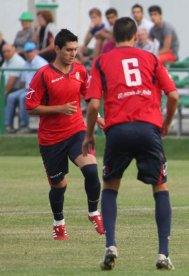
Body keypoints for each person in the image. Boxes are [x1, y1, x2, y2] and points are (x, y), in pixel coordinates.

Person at [82, 17, 179, 270]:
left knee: (111, 187)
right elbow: (173, 95)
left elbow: (93, 104)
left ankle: (111, 245)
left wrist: (89, 134)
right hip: (149, 129)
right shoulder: (150, 58)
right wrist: (166, 123)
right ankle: (163, 254)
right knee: (160, 187)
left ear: (113, 38)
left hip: (118, 130)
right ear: (136, 36)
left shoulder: (102, 60)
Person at [26, 29, 105, 240]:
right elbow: (30, 107)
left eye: (75, 49)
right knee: (59, 185)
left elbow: (88, 97)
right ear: (57, 49)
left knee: (91, 170)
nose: (73, 54)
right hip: (50, 140)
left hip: (77, 132)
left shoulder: (80, 70)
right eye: (68, 50)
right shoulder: (43, 75)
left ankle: (94, 213)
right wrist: (58, 108)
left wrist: (97, 117)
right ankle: (59, 223)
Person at [5, 42, 47, 134]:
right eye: (27, 52)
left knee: (23, 97)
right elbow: (23, 82)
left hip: (39, 90)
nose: (29, 53)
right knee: (11, 96)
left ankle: (24, 126)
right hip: (28, 88)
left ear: (35, 51)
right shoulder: (26, 63)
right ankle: (8, 125)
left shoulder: (41, 63)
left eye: (30, 51)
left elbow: (45, 83)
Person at [1, 43, 26, 133]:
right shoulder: (7, 61)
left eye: (8, 51)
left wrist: (3, 94)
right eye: (4, 51)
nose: (6, 53)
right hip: (9, 88)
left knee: (7, 97)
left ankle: (7, 125)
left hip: (16, 88)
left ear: (14, 51)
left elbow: (11, 81)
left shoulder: (17, 61)